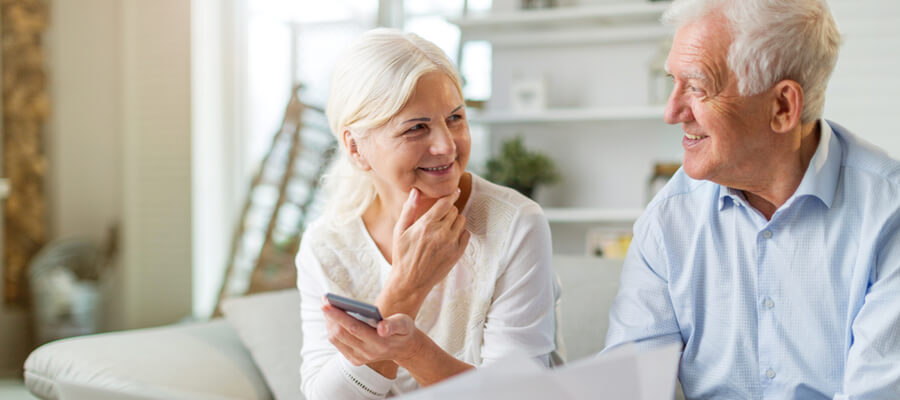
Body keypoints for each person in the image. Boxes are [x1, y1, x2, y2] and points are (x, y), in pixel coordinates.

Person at [604, 0, 900, 399]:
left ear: (782, 106)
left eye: (696, 86)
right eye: (671, 81)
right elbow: (627, 388)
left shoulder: (888, 212)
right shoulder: (668, 218)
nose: (672, 112)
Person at [295, 28, 558, 400]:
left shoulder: (515, 224)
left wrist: (410, 348)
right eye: (416, 127)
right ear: (355, 147)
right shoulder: (327, 245)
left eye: (455, 117)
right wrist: (407, 287)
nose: (446, 145)